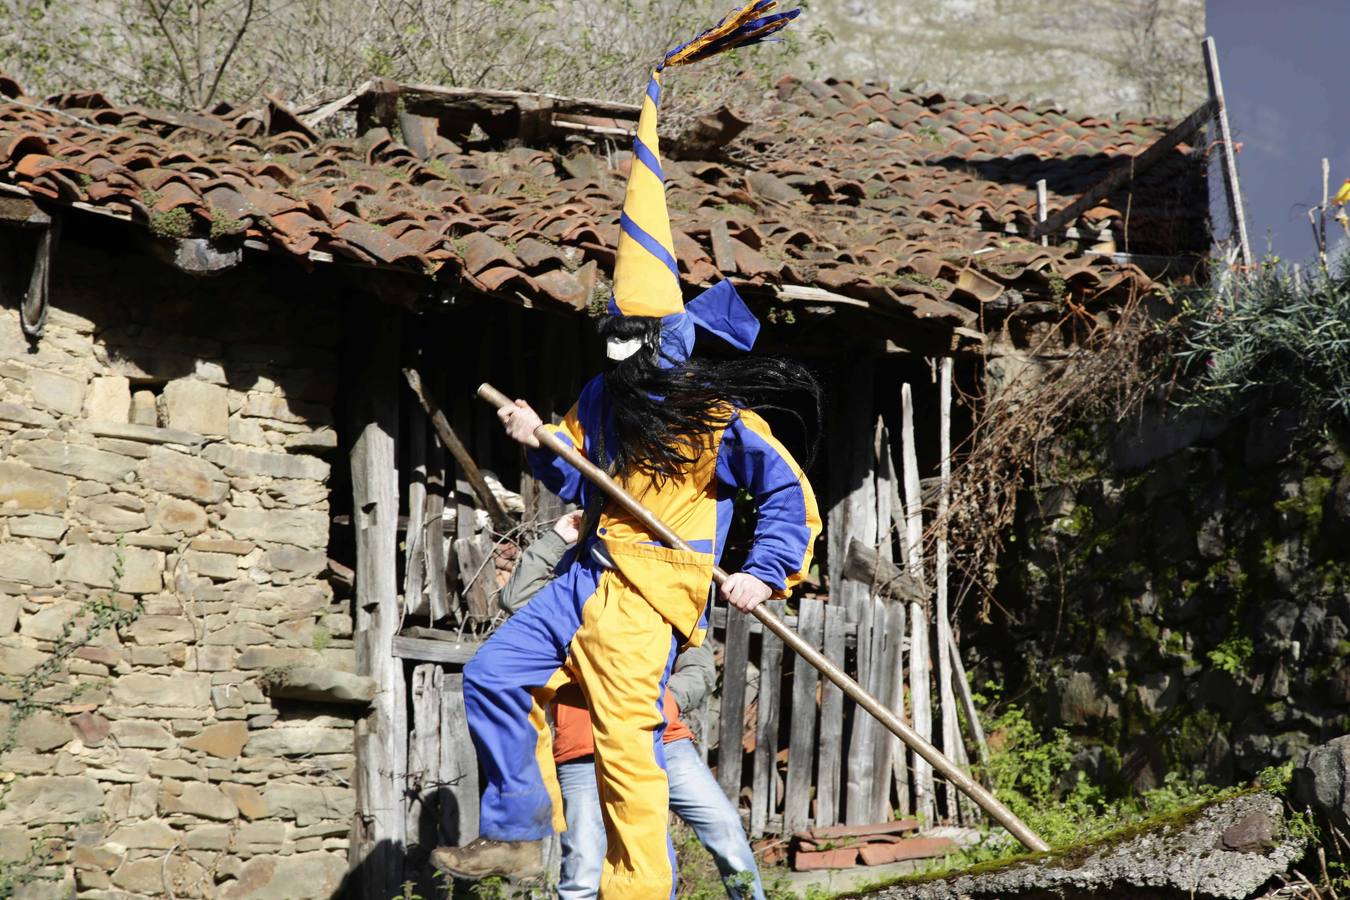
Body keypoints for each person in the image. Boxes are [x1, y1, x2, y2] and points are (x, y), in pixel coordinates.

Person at [432, 5, 814, 897]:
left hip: (656, 587)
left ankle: (640, 893)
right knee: (492, 673)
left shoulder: (716, 417)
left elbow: (788, 495)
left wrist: (762, 571)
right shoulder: (603, 395)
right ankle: (518, 836)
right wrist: (537, 440)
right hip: (588, 571)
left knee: (624, 749)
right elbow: (571, 468)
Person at [501, 510, 767, 900]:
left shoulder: (667, 594)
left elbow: (698, 665)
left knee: (726, 831)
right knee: (583, 873)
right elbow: (515, 598)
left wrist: (664, 701)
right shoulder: (570, 598)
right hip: (583, 751)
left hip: (662, 742)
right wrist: (559, 538)